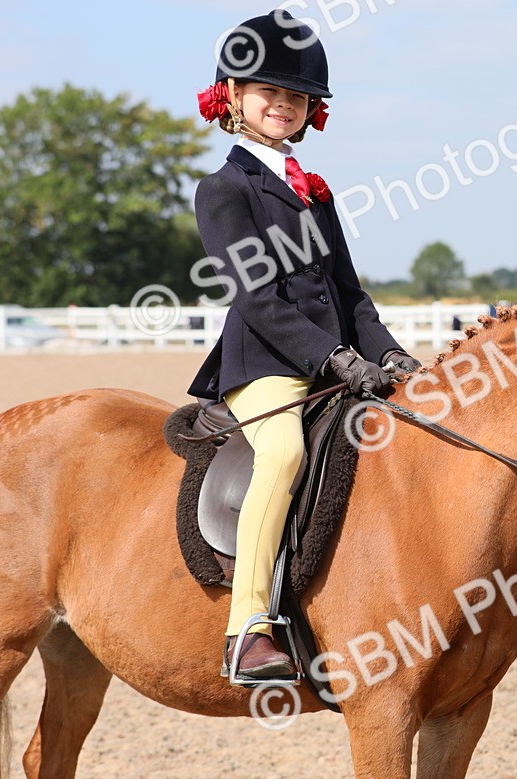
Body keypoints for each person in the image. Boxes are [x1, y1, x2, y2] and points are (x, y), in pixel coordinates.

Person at [187, 9, 420, 681]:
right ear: (232, 97)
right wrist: (333, 359)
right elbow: (259, 299)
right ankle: (249, 626)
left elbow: (351, 295)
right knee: (285, 450)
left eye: (294, 96)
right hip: (266, 364)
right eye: (268, 92)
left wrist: (392, 356)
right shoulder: (224, 189)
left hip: (338, 359)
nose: (283, 104)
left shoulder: (315, 194)